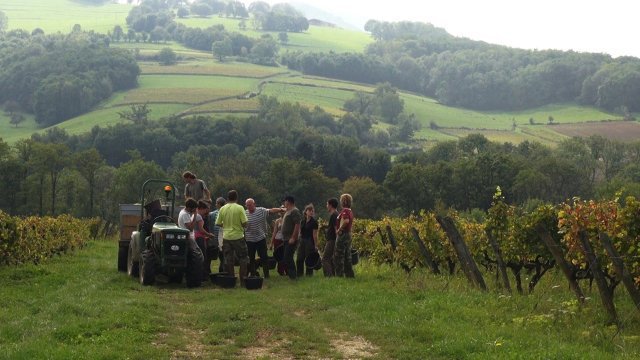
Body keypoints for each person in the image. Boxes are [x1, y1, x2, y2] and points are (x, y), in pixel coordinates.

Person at [215, 190, 249, 284]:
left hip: (226, 237)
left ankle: (231, 280)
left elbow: (218, 223)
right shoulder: (240, 208)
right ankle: (243, 281)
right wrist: (243, 225)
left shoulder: (222, 209)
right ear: (237, 198)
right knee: (243, 258)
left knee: (229, 259)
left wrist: (226, 226)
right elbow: (245, 223)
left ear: (227, 198)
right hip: (238, 236)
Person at [244, 198, 283, 278]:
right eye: (247, 205)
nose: (248, 207)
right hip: (249, 240)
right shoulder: (244, 213)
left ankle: (266, 275)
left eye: (250, 205)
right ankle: (253, 274)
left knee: (264, 257)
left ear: (254, 204)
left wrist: (281, 209)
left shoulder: (261, 210)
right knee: (251, 258)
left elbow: (271, 210)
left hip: (260, 238)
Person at [177, 198, 205, 285]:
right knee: (199, 256)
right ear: (191, 208)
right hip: (188, 238)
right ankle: (196, 278)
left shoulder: (183, 212)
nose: (195, 210)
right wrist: (195, 215)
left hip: (187, 237)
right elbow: (191, 228)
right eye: (195, 208)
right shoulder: (185, 215)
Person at [280, 195, 302, 280]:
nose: (284, 203)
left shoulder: (294, 211)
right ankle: (291, 276)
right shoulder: (288, 211)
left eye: (284, 201)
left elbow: (297, 224)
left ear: (288, 201)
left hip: (291, 238)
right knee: (286, 257)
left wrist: (293, 237)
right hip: (286, 238)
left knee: (288, 257)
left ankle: (293, 276)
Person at [334, 193, 354, 278]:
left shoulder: (345, 211)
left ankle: (339, 275)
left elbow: (346, 221)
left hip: (343, 235)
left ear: (343, 201)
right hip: (348, 234)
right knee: (347, 256)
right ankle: (349, 275)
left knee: (339, 255)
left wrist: (339, 229)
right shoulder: (350, 211)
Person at [296, 203, 319, 276]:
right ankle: (299, 273)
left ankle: (309, 274)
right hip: (302, 240)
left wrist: (316, 245)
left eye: (312, 211)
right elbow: (300, 232)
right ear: (306, 212)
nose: (311, 212)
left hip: (310, 241)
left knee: (309, 258)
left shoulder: (314, 222)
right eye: (310, 210)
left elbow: (315, 235)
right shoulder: (302, 221)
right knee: (299, 258)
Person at [194, 200, 214, 280]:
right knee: (202, 257)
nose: (205, 213)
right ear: (201, 208)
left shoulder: (193, 214)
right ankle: (202, 276)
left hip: (197, 237)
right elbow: (201, 230)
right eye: (205, 211)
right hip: (199, 238)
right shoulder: (198, 216)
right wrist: (209, 235)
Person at [208, 197, 226, 273]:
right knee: (220, 256)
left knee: (218, 256)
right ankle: (220, 270)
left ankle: (220, 270)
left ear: (219, 204)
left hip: (218, 238)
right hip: (219, 238)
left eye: (216, 203)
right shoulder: (213, 214)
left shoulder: (213, 214)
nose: (215, 204)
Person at [322, 198, 339, 277]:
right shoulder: (335, 214)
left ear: (331, 205)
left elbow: (336, 229)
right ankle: (333, 276)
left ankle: (329, 276)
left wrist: (337, 241)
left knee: (325, 258)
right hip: (332, 239)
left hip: (332, 240)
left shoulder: (334, 215)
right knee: (331, 259)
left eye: (327, 204)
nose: (326, 206)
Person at [270, 210, 287, 276]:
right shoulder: (277, 221)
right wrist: (271, 243)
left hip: (285, 240)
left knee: (285, 255)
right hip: (278, 239)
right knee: (279, 255)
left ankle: (287, 270)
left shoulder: (289, 219)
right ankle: (281, 271)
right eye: (281, 211)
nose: (282, 212)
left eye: (284, 211)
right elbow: (274, 232)